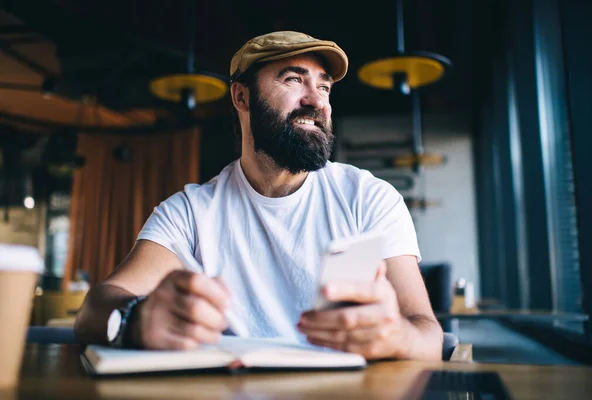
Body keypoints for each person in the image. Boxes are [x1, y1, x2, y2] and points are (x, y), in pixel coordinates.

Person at [74, 31, 443, 360]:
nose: (316, 101)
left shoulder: (368, 198)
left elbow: (427, 333)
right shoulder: (191, 212)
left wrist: (399, 336)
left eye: (324, 86)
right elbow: (94, 309)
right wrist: (137, 320)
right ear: (241, 97)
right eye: (294, 80)